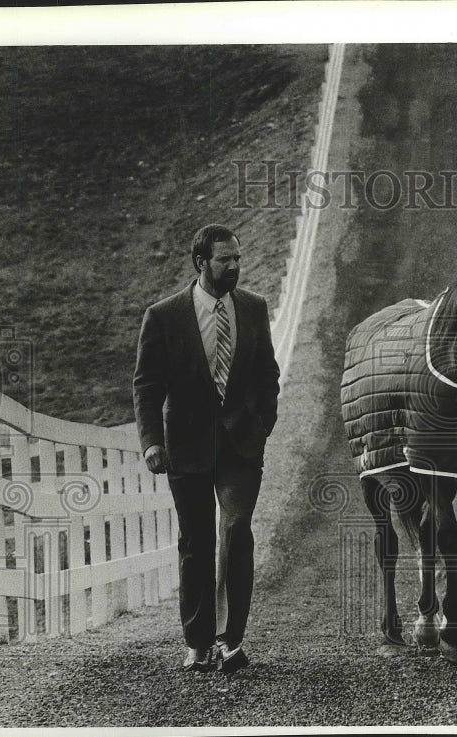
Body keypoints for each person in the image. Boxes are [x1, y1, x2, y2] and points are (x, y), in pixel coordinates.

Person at [133, 224, 280, 674]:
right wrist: (152, 442)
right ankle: (197, 643)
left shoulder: (253, 308)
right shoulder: (163, 315)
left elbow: (267, 375)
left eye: (238, 258)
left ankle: (231, 641)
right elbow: (146, 384)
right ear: (201, 263)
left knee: (236, 532)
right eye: (225, 259)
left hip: (240, 446)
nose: (234, 266)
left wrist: (262, 427)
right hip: (186, 447)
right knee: (196, 542)